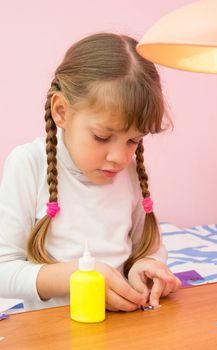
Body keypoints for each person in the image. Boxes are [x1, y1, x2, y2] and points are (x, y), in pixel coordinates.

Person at [0, 32, 181, 312]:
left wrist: (147, 266)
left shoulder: (131, 171)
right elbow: (4, 272)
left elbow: (148, 247)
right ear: (61, 111)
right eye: (101, 136)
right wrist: (77, 277)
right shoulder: (27, 164)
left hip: (124, 327)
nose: (119, 158)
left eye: (133, 140)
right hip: (52, 332)